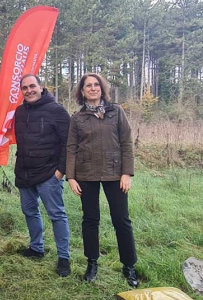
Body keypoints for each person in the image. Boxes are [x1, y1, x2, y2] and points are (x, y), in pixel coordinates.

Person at [66, 73, 139, 287]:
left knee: (121, 219)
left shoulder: (116, 112)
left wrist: (127, 173)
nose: (93, 88)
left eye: (96, 84)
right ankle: (92, 263)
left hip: (115, 173)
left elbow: (126, 143)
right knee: (90, 220)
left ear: (102, 88)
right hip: (86, 174)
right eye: (88, 85)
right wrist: (71, 177)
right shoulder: (77, 119)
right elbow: (70, 148)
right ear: (82, 91)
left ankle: (129, 265)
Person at [13, 75, 72, 277]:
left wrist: (60, 171)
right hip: (24, 172)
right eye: (25, 88)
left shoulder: (57, 111)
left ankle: (64, 257)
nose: (29, 90)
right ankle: (36, 248)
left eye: (32, 86)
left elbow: (68, 143)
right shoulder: (19, 112)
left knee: (56, 215)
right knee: (30, 212)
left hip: (49, 174)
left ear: (41, 87)